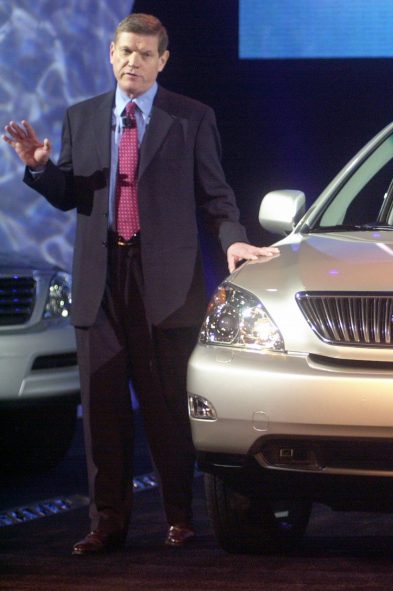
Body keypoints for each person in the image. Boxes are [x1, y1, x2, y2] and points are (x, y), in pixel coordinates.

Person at [2, 13, 278, 555]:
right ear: (111, 53)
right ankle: (107, 523)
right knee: (102, 412)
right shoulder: (81, 118)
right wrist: (40, 169)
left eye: (146, 54)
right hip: (100, 278)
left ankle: (179, 515)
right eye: (126, 51)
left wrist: (232, 240)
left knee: (167, 408)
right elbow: (71, 194)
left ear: (162, 61)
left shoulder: (191, 118)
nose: (134, 61)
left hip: (166, 283)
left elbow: (215, 196)